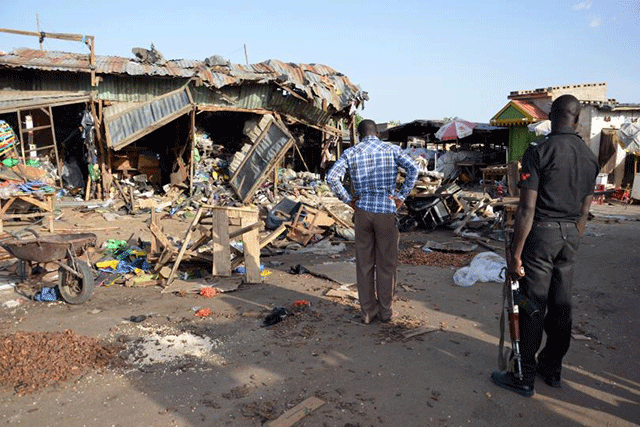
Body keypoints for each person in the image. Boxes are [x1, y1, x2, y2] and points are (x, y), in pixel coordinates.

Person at [491, 95, 599, 397]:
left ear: (552, 116)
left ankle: (524, 376)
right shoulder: (590, 157)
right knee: (561, 305)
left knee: (532, 306)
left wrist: (515, 254)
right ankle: (552, 369)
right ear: (576, 119)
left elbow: (526, 209)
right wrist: (573, 237)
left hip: (542, 235)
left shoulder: (540, 151)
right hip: (570, 237)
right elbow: (584, 209)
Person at [326, 119, 418, 324]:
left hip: (362, 212)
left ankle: (368, 313)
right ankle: (386, 312)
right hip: (386, 211)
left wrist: (348, 199)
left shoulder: (352, 152)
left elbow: (332, 177)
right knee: (387, 264)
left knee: (364, 264)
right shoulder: (392, 149)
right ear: (377, 133)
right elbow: (414, 169)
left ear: (359, 135)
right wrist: (401, 196)